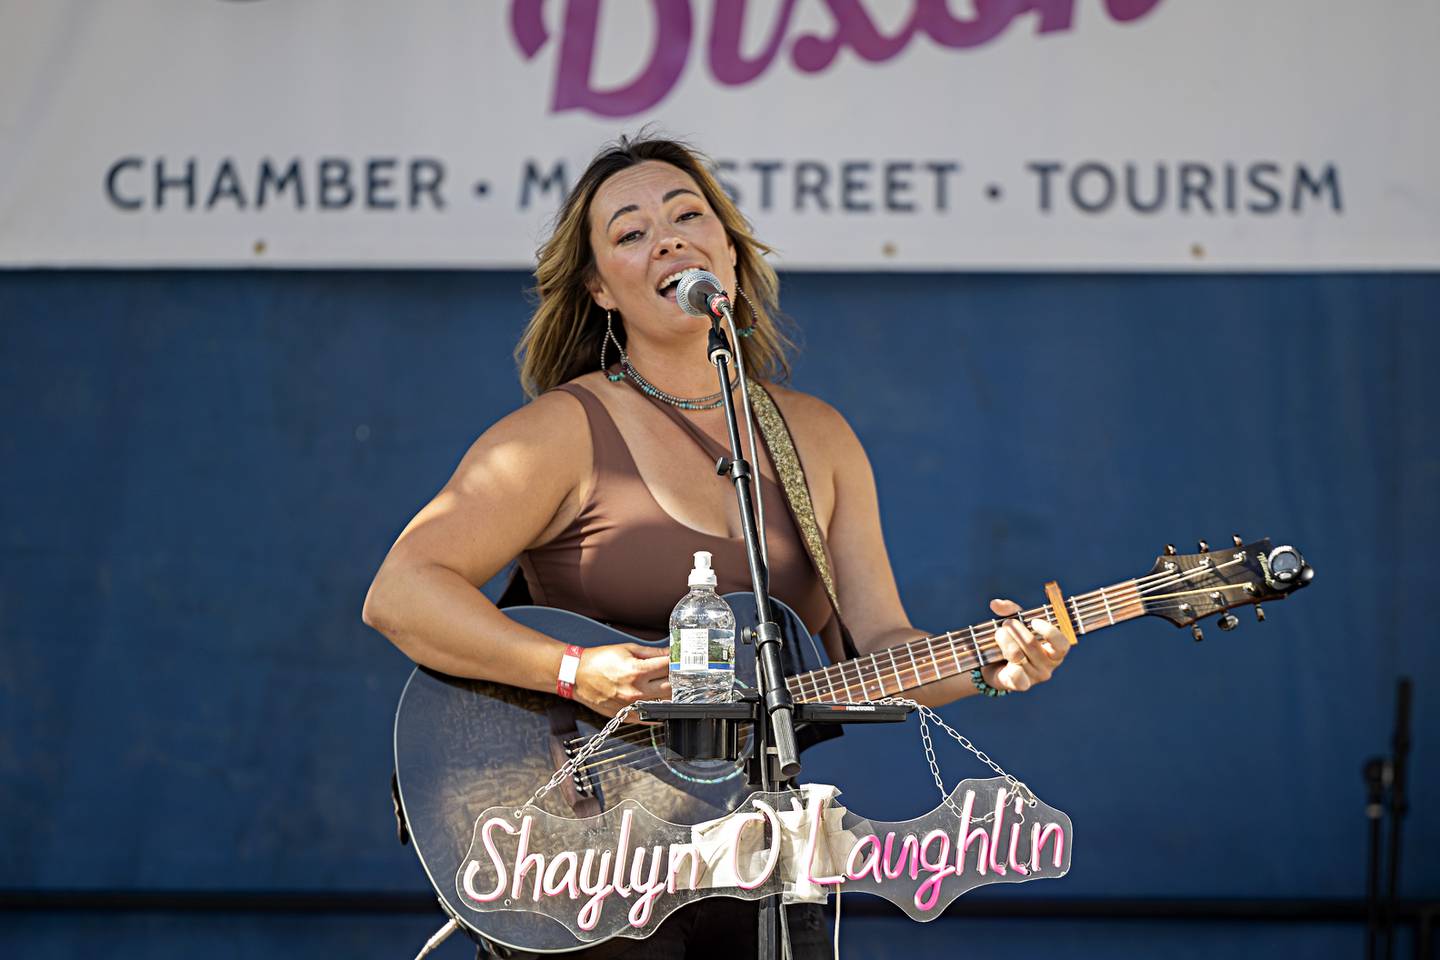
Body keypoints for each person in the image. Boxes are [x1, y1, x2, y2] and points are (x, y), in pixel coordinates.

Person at [362, 134, 1073, 958]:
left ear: (729, 257)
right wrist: (574, 670)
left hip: (759, 854)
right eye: (629, 233)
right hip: (584, 852)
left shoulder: (817, 437)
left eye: (688, 215)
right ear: (599, 290)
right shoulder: (562, 432)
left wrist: (992, 662)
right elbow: (402, 592)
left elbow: (883, 646)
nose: (666, 238)